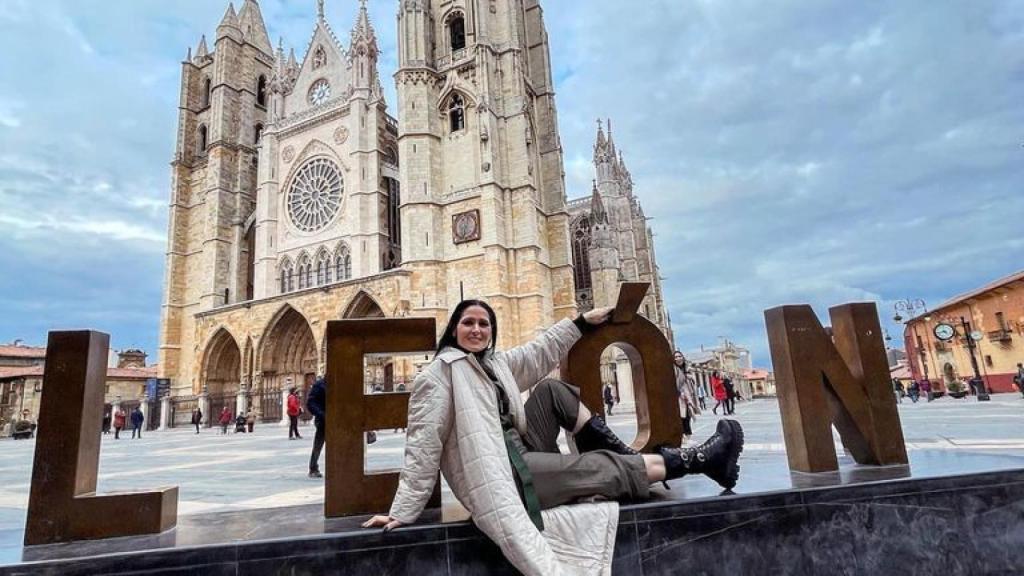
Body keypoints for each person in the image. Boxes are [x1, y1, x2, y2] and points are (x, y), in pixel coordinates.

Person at [361, 300, 744, 575]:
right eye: (468, 323)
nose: (477, 329)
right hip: (504, 473)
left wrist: (580, 323)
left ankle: (627, 455)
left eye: (484, 324)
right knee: (597, 468)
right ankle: (701, 462)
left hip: (518, 446)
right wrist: (403, 510)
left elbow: (537, 353)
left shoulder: (493, 364)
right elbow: (423, 445)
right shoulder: (438, 376)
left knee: (551, 391)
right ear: (454, 330)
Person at [673, 351, 699, 442]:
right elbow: (673, 383)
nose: (678, 358)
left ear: (682, 357)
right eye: (675, 357)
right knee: (682, 416)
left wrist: (690, 377)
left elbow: (694, 382)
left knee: (688, 415)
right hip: (679, 396)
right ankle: (683, 436)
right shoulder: (674, 369)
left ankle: (687, 435)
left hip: (689, 395)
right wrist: (680, 393)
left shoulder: (688, 368)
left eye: (679, 356)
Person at [307, 375, 327, 478]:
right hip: (323, 421)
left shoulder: (341, 384)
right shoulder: (319, 385)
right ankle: (313, 468)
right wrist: (322, 414)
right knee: (318, 445)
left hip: (338, 419)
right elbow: (310, 403)